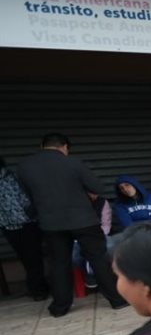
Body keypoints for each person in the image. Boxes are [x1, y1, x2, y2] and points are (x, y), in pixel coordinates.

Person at [17, 133, 125, 317]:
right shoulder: (73, 163)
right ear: (64, 146)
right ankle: (116, 300)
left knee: (59, 263)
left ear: (42, 145)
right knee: (98, 258)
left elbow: (27, 196)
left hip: (51, 223)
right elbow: (97, 187)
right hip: (83, 220)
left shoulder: (25, 167)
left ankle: (60, 307)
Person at [0, 156, 49, 299]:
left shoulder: (13, 178)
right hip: (23, 224)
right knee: (33, 258)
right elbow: (26, 199)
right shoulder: (13, 177)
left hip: (15, 226)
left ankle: (38, 288)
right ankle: (38, 289)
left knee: (29, 259)